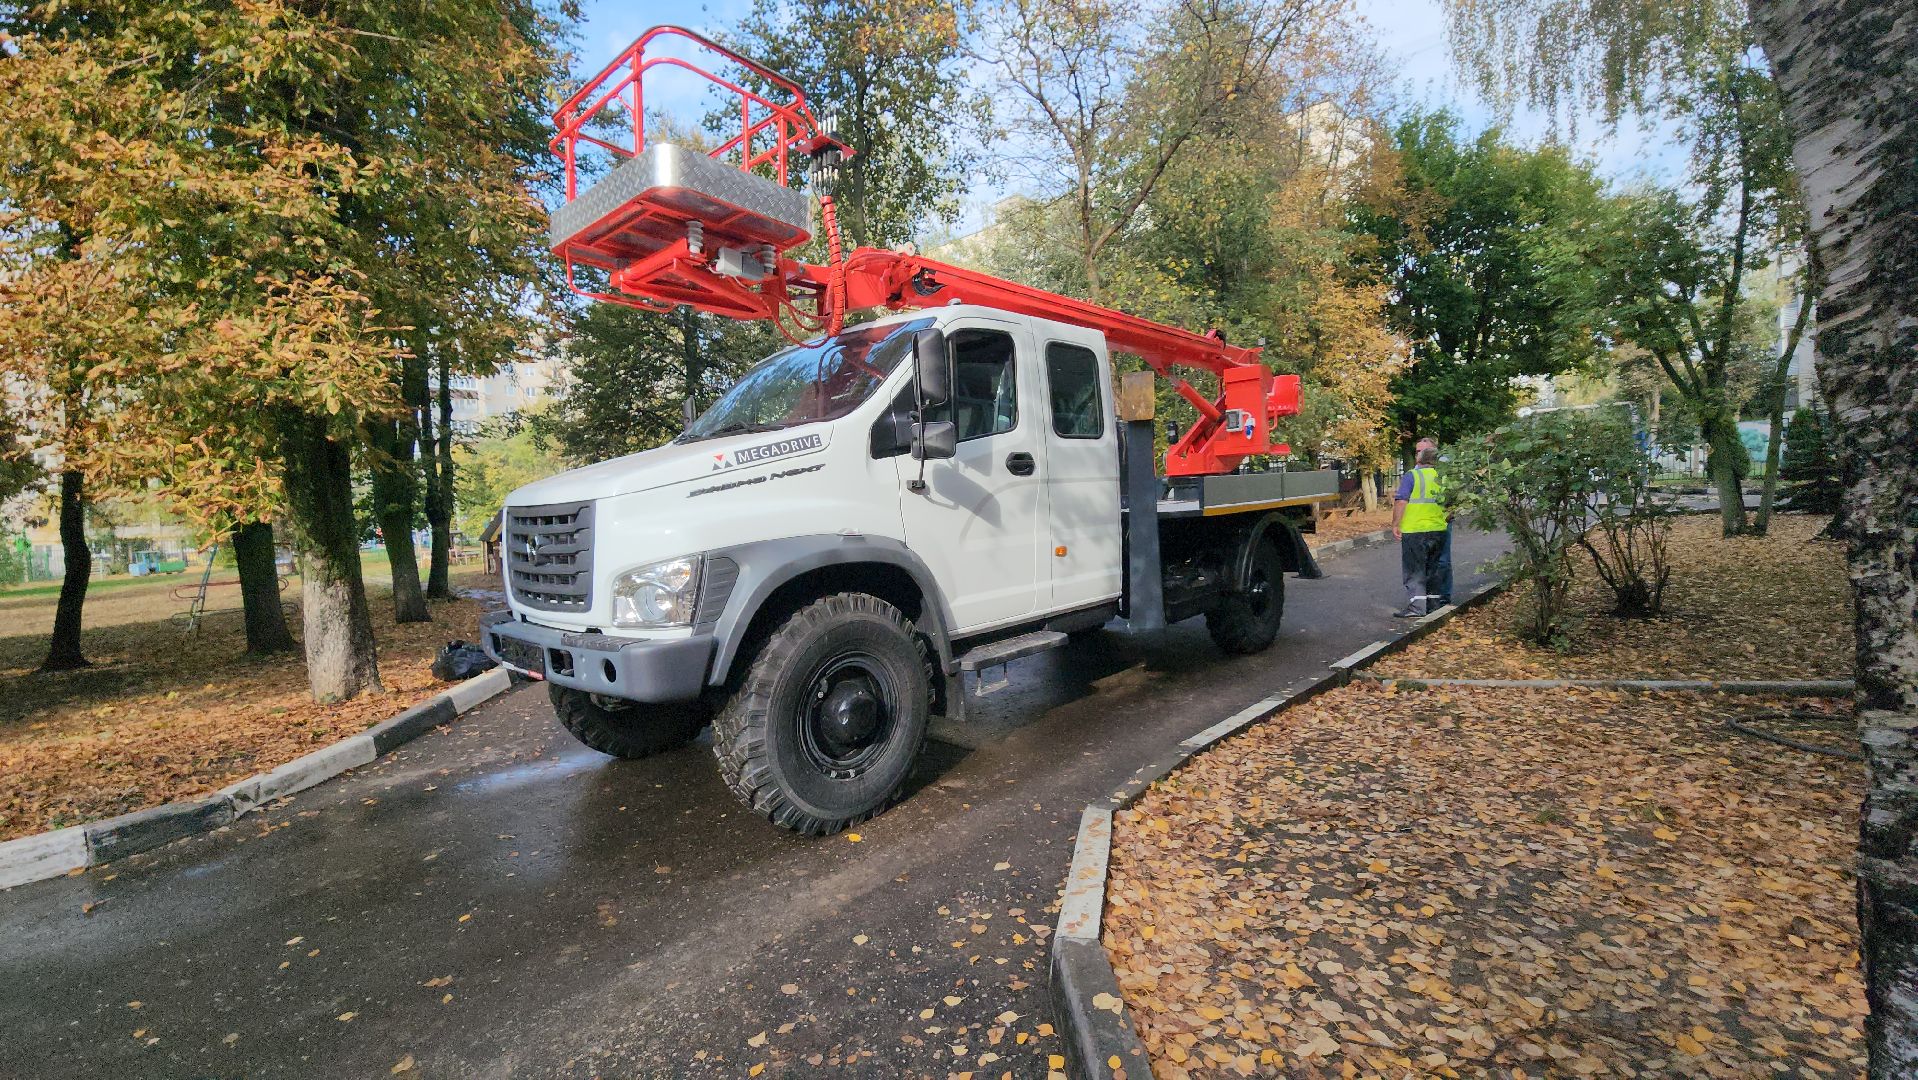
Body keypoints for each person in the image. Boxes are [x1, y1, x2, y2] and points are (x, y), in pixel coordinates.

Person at [1393, 446, 1448, 617]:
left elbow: (1401, 500)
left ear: (1419, 459)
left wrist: (1396, 523)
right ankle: (1433, 605)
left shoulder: (1412, 475)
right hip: (1438, 529)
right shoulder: (1443, 478)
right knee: (1433, 569)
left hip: (1415, 530)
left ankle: (1417, 607)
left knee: (1414, 569)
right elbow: (1451, 503)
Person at [1415, 436, 1452, 606]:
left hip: (1441, 521)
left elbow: (1453, 493)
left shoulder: (1444, 469)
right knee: (1423, 563)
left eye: (1423, 451)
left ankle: (1444, 596)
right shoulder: (1416, 470)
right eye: (1417, 451)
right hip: (1422, 523)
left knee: (1442, 561)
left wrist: (1450, 513)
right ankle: (1429, 600)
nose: (1420, 454)